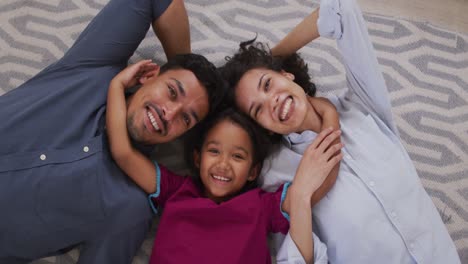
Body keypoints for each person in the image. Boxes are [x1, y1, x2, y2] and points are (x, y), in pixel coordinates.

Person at [220, 0, 461, 263]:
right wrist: (300, 194)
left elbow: (340, 9)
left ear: (286, 74)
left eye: (267, 84)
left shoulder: (361, 105)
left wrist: (272, 58)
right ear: (261, 127)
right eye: (258, 110)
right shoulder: (276, 174)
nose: (272, 101)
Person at [0, 0, 226, 263]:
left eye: (186, 119)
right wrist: (187, 62)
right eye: (172, 91)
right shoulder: (93, 68)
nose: (169, 113)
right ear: (150, 75)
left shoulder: (130, 207)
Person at [105, 60, 344, 263]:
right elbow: (123, 154)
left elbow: (315, 183)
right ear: (197, 158)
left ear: (253, 171)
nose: (223, 164)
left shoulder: (262, 206)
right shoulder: (176, 190)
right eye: (214, 151)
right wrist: (116, 86)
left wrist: (329, 115)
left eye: (238, 156)